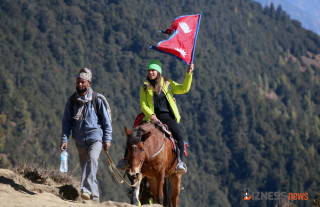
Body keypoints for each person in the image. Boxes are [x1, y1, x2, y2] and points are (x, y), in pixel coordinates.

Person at [117, 59, 194, 174]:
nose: (150, 72)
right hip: (150, 118)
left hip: (167, 117)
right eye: (149, 70)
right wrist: (151, 115)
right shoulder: (144, 87)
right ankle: (126, 160)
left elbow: (184, 88)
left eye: (153, 70)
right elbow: (143, 105)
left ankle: (179, 163)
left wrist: (189, 74)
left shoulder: (168, 84)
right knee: (134, 136)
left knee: (180, 137)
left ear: (158, 72)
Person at [60, 68, 112, 202]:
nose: (80, 84)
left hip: (96, 139)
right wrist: (64, 140)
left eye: (83, 82)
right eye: (78, 81)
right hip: (80, 140)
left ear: (89, 83)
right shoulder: (72, 101)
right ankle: (95, 197)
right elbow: (67, 122)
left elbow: (106, 122)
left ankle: (86, 190)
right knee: (86, 167)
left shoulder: (97, 99)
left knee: (92, 160)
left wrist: (107, 139)